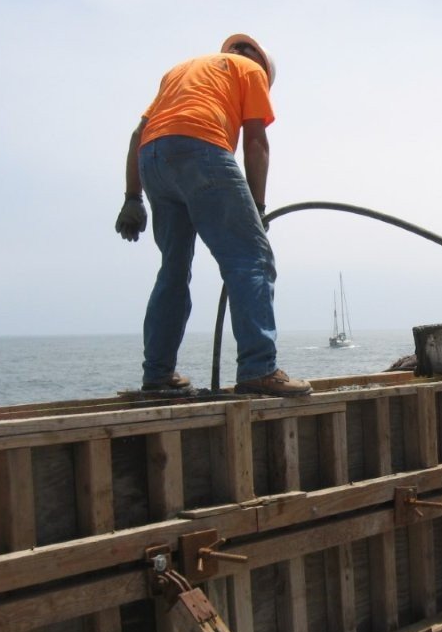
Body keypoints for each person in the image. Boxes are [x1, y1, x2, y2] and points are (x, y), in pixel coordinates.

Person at [114, 34, 311, 397]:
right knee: (252, 258)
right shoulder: (250, 70)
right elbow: (256, 141)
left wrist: (132, 198)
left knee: (173, 269)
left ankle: (158, 374)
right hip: (201, 149)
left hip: (153, 159)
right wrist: (258, 207)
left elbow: (138, 134)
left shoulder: (181, 70)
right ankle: (259, 370)